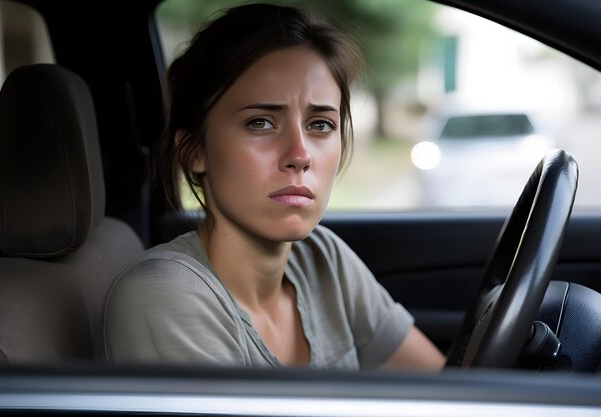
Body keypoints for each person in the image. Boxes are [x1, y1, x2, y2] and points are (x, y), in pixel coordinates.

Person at [103, 2, 445, 371]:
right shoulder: (163, 295)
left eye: (320, 125)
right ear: (194, 151)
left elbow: (446, 393)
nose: (300, 155)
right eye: (261, 123)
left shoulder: (323, 259)